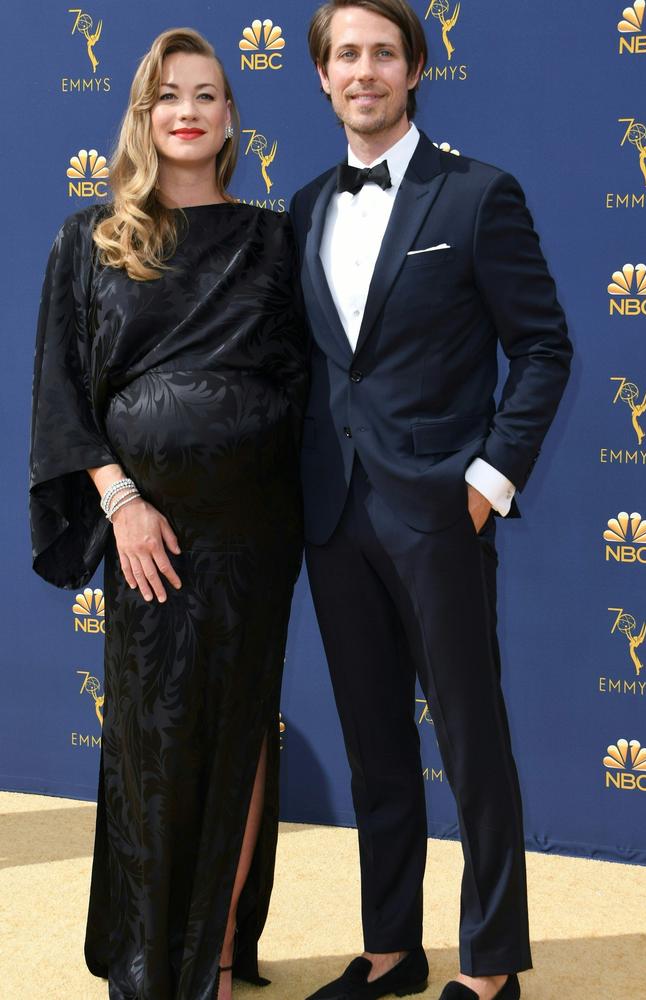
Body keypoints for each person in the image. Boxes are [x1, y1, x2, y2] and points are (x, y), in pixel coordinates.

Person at [289, 2, 572, 999]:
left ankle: (491, 965)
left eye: (380, 53)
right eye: (344, 55)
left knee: (469, 738)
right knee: (374, 743)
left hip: (439, 511)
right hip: (331, 515)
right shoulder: (302, 208)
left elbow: (541, 346)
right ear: (321, 77)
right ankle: (390, 949)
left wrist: (487, 482)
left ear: (413, 68)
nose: (362, 71)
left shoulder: (477, 196)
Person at [30, 28, 306, 1000]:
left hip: (253, 535)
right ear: (143, 116)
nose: (187, 109)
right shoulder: (90, 238)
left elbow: (318, 381)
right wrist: (123, 501)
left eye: (206, 93)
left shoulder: (277, 238)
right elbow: (63, 396)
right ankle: (153, 954)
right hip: (144, 535)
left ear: (231, 117)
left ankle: (218, 956)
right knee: (152, 741)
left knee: (236, 736)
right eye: (166, 95)